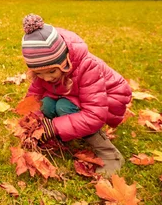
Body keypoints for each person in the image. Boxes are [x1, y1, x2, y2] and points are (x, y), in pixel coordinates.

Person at [21, 13, 132, 176]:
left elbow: (94, 114)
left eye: (52, 71)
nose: (47, 78)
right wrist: (31, 122)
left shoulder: (87, 67)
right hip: (75, 96)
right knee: (47, 104)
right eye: (39, 73)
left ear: (65, 59)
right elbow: (34, 98)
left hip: (108, 99)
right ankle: (59, 139)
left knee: (64, 107)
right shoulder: (44, 72)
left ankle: (110, 155)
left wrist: (54, 126)